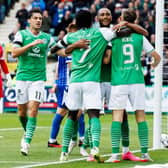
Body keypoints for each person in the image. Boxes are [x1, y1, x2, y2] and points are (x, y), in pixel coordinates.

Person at [54, 9, 148, 162]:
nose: (105, 16)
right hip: (95, 80)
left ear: (112, 17)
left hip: (113, 80)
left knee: (121, 114)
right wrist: (73, 49)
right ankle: (85, 146)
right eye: (102, 14)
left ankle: (125, 150)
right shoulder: (99, 34)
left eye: (108, 14)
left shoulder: (114, 32)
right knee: (84, 113)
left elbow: (135, 35)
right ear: (96, 18)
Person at [105, 8, 161, 163]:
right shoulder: (140, 37)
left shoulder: (113, 37)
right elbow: (157, 57)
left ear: (122, 19)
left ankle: (115, 155)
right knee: (141, 118)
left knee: (117, 118)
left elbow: (106, 60)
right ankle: (144, 154)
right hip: (136, 80)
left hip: (119, 81)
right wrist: (153, 66)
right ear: (135, 20)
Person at [12, 8, 65, 156]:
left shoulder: (47, 37)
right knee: (22, 112)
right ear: (29, 20)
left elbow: (57, 50)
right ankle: (27, 132)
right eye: (35, 18)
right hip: (22, 78)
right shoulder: (21, 34)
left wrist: (72, 50)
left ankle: (26, 142)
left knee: (33, 108)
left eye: (40, 18)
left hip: (38, 79)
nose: (38, 20)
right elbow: (14, 53)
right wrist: (31, 44)